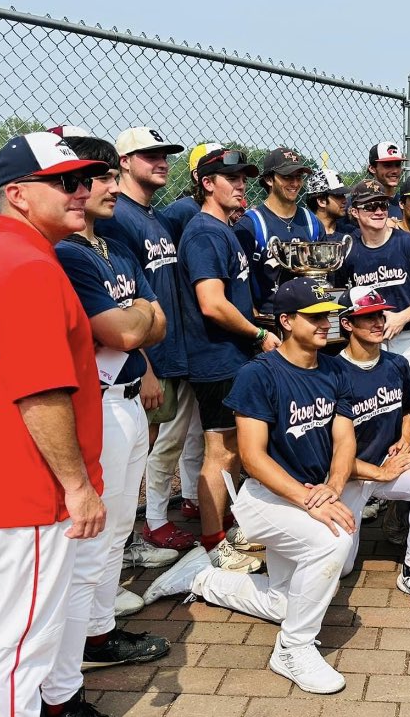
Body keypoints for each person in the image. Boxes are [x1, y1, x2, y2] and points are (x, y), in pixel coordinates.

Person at [0, 132, 109, 717]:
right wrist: (77, 486)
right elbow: (39, 392)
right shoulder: (26, 266)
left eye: (84, 180)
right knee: (19, 648)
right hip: (29, 492)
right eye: (65, 182)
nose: (82, 191)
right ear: (17, 193)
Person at [143, 278, 359, 695]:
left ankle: (200, 579)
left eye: (328, 314)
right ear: (285, 321)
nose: (325, 322)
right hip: (265, 500)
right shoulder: (259, 374)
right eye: (314, 316)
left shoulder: (334, 368)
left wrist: (333, 486)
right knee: (333, 543)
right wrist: (309, 500)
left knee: (285, 601)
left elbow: (345, 437)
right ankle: (293, 649)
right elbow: (252, 458)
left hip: (310, 494)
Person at [50, 136, 170, 701]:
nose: (109, 186)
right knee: (91, 539)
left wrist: (137, 322)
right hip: (94, 404)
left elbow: (156, 323)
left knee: (119, 527)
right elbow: (125, 330)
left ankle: (98, 635)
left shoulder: (116, 253)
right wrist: (138, 319)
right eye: (98, 177)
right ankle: (65, 668)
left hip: (125, 400)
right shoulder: (69, 254)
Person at [91, 126, 201, 556]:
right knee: (137, 452)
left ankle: (141, 528)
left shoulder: (152, 215)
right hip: (139, 361)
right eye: (148, 154)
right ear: (124, 162)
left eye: (164, 155)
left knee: (155, 446)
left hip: (165, 350)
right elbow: (120, 299)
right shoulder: (120, 220)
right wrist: (146, 366)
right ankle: (143, 528)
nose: (161, 161)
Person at [178, 148, 280, 570]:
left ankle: (227, 525)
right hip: (217, 356)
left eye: (243, 178)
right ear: (207, 183)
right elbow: (212, 304)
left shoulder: (222, 230)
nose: (241, 185)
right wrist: (259, 334)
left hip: (231, 354)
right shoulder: (204, 232)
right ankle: (212, 539)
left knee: (236, 447)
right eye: (231, 178)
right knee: (219, 450)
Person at [334, 285, 410, 611]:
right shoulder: (331, 372)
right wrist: (379, 472)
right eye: (367, 316)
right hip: (347, 474)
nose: (378, 322)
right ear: (347, 324)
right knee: (340, 568)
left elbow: (408, 413)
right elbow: (331, 456)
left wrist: (405, 440)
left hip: (388, 462)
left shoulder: (397, 363)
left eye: (380, 314)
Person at [334, 178, 410, 400]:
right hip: (368, 343)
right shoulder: (348, 250)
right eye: (370, 206)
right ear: (354, 212)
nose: (378, 211)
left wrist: (401, 318)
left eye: (382, 205)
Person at [242, 147, 320, 315]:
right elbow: (241, 281)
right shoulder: (252, 223)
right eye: (287, 177)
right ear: (269, 180)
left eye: (298, 177)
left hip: (309, 315)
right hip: (269, 317)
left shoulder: (311, 221)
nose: (295, 183)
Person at [305, 168, 355, 240]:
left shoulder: (351, 233)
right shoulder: (304, 235)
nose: (345, 200)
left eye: (343, 195)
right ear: (321, 201)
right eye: (338, 196)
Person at [367, 141, 405, 218]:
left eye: (398, 165)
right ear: (372, 168)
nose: (395, 171)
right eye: (387, 165)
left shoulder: (406, 204)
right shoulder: (358, 202)